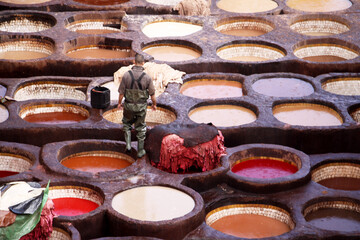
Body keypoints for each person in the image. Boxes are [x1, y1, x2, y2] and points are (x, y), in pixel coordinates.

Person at [117, 53, 156, 158]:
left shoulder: (126, 75)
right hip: (141, 108)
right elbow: (152, 95)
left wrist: (119, 104)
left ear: (134, 62)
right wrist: (154, 105)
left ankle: (128, 144)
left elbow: (121, 93)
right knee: (141, 128)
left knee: (126, 124)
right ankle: (140, 151)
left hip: (128, 106)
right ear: (143, 63)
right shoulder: (147, 77)